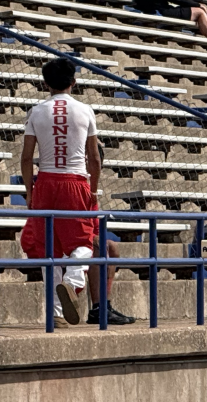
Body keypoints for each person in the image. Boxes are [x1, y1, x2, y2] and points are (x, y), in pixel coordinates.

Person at [19, 58, 136, 327]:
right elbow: (93, 157)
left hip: (46, 181)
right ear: (74, 82)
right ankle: (73, 281)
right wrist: (92, 190)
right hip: (75, 179)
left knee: (49, 247)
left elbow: (27, 158)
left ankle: (56, 312)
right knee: (83, 241)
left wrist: (29, 191)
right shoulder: (85, 111)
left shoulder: (36, 112)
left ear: (45, 83)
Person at [132, 0, 207, 40]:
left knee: (198, 14)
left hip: (151, 10)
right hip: (160, 12)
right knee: (199, 12)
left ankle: (205, 24)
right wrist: (198, 4)